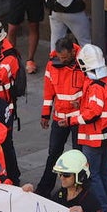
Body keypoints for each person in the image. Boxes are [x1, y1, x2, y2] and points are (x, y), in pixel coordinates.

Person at [75, 43, 107, 212]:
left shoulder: (95, 86)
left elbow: (93, 112)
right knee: (105, 171)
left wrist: (74, 119)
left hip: (93, 137)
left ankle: (103, 210)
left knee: (93, 174)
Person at [37, 37, 85, 195]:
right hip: (60, 117)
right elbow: (48, 91)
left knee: (79, 155)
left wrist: (82, 102)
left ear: (73, 51)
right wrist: (45, 114)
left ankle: (79, 191)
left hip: (78, 118)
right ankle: (44, 190)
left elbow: (91, 87)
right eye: (60, 58)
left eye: (65, 58)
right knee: (53, 154)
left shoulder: (83, 62)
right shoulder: (52, 63)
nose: (62, 61)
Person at [24, 149, 103, 212]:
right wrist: (31, 196)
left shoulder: (91, 201)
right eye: (60, 173)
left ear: (80, 176)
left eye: (66, 175)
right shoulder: (60, 194)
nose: (61, 178)